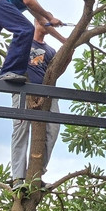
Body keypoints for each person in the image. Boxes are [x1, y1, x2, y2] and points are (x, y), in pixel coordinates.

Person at [10, 20, 63, 190]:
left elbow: (55, 72)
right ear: (36, 21)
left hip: (47, 93)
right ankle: (18, 178)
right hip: (23, 90)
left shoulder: (50, 51)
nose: (49, 25)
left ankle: (35, 174)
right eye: (46, 21)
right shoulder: (23, 40)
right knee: (21, 129)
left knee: (54, 128)